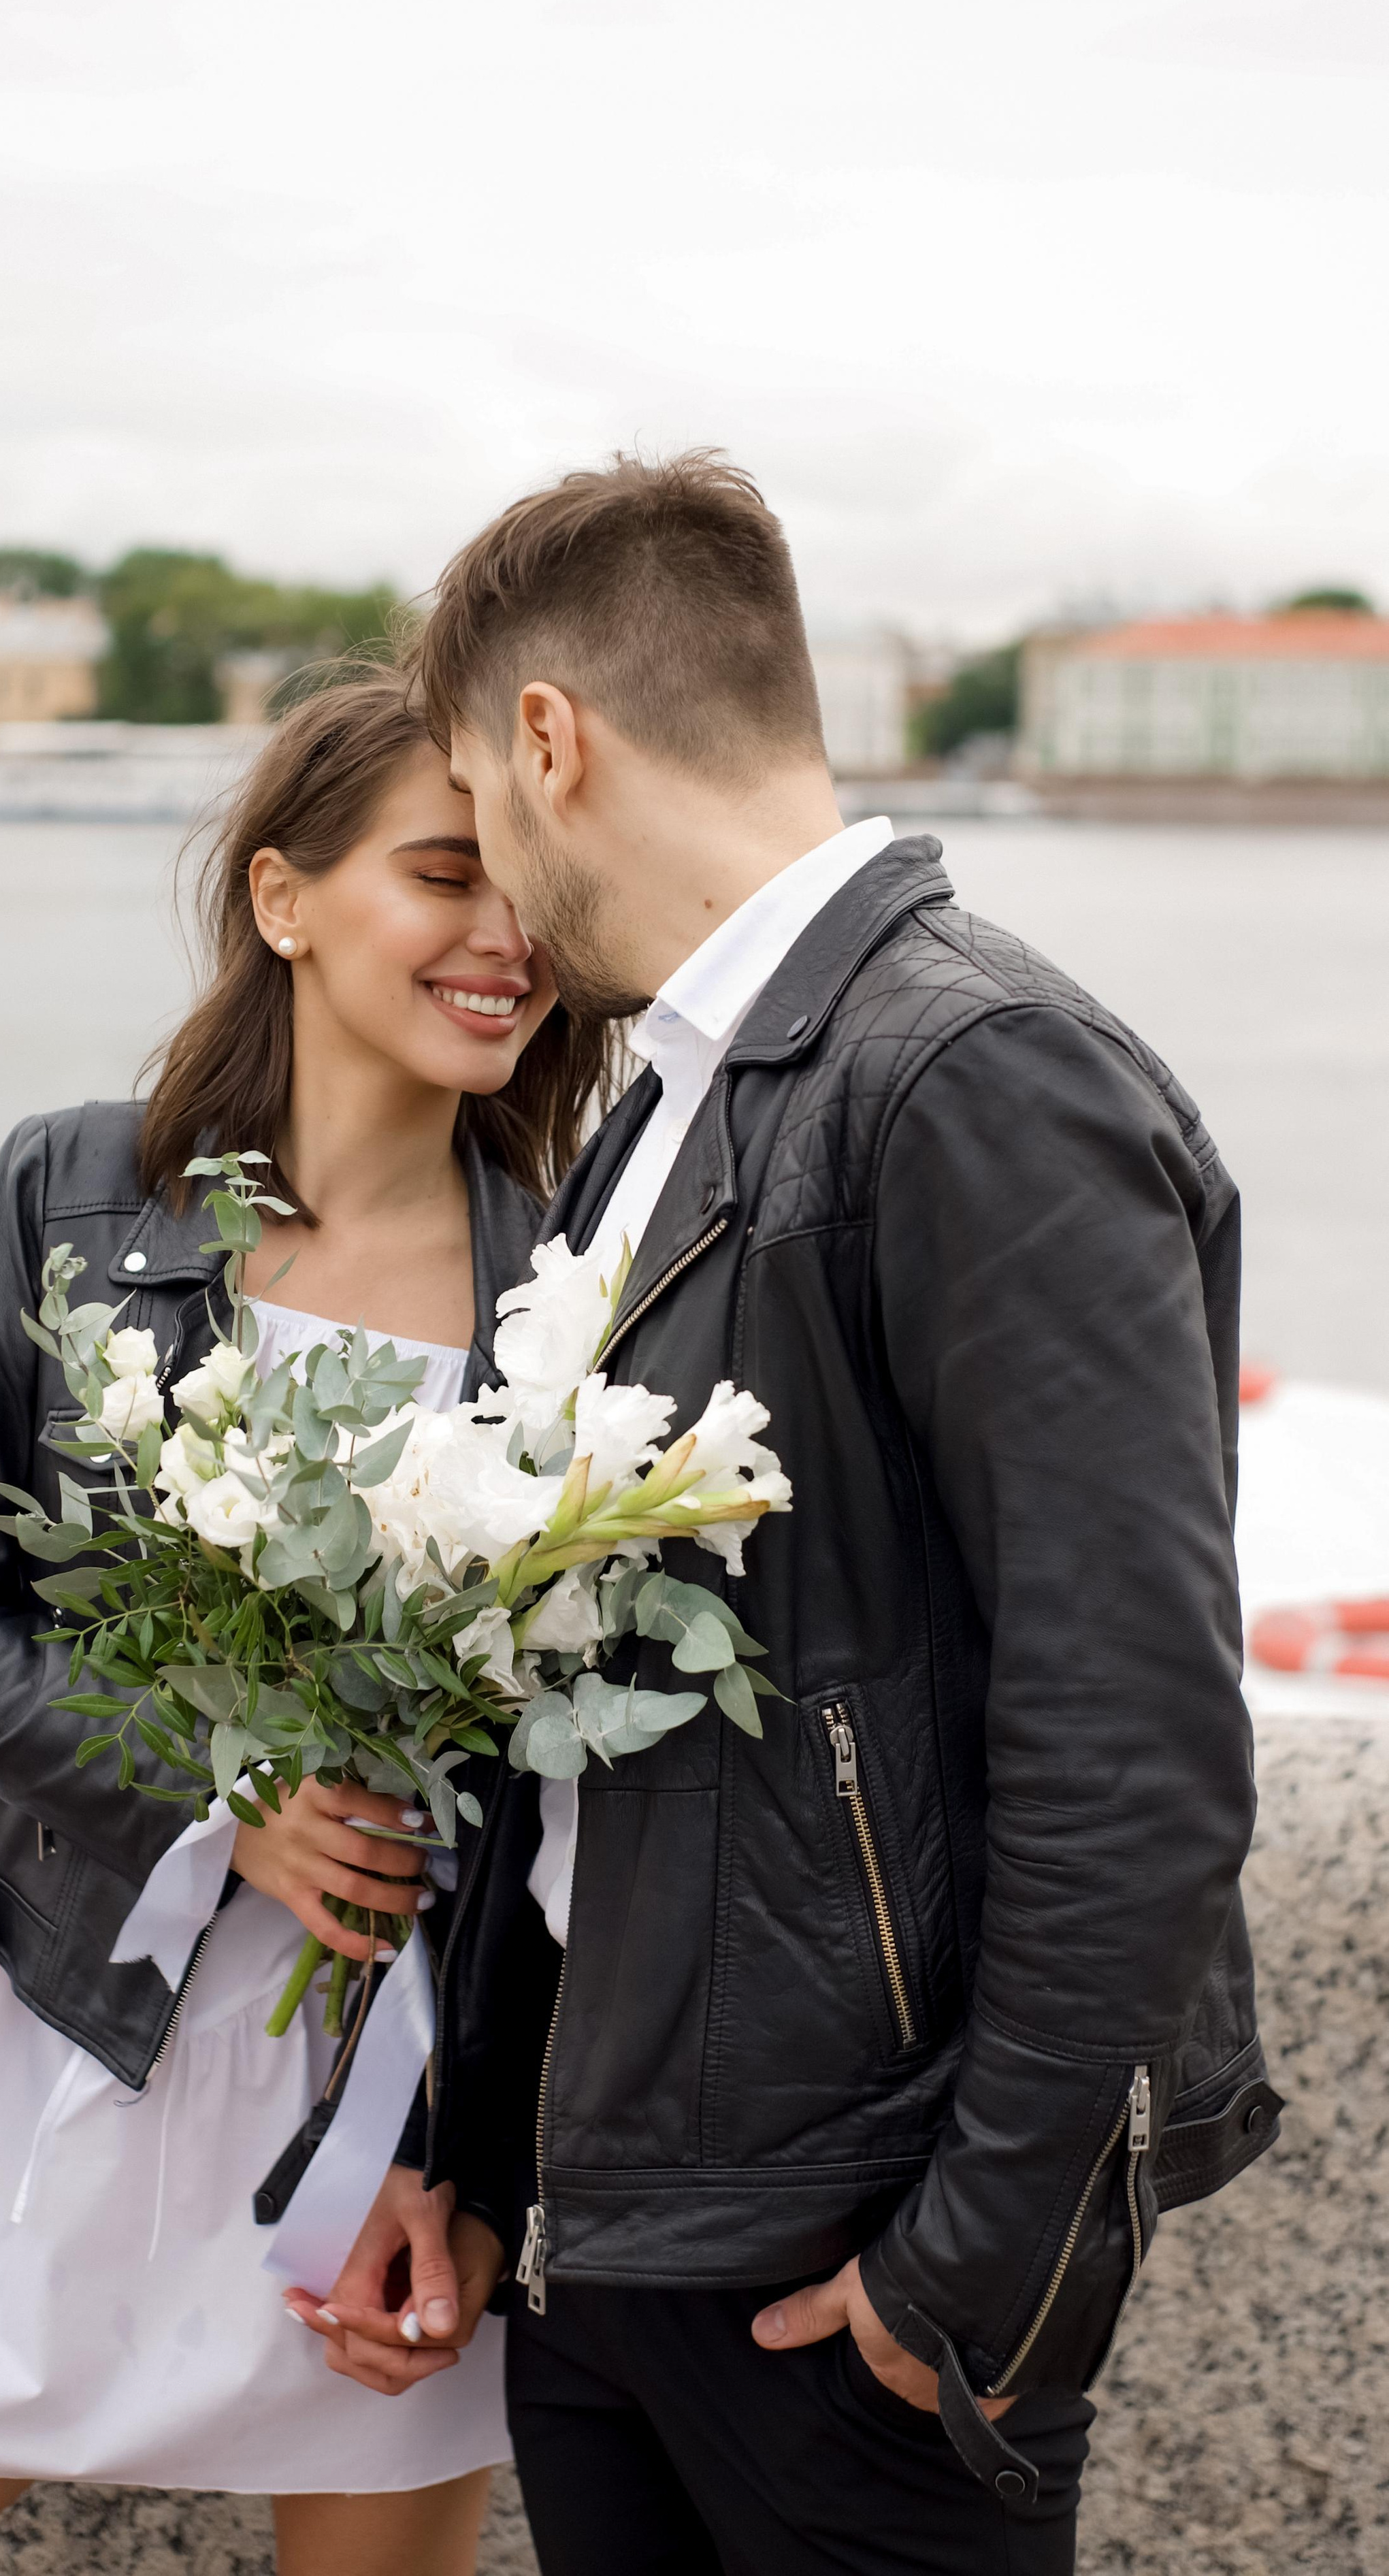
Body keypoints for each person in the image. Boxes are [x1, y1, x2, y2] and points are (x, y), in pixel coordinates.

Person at [297, 457, 1280, 2574]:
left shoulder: (973, 1072)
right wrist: (474, 2152)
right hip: (610, 2245)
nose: (491, 887)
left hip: (848, 2282)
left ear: (549, 740)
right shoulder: (661, 1105)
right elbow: (593, 1731)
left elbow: (1137, 1751)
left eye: (481, 793)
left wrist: (964, 2288)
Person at [0, 665, 617, 2576]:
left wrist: (471, 2164)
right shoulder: (74, 1190)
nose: (504, 938)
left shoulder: (576, 1293)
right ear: (284, 898)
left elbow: (564, 1797)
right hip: (47, 2033)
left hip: (384, 2126)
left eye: (532, 892)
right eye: (444, 875)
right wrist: (227, 1792)